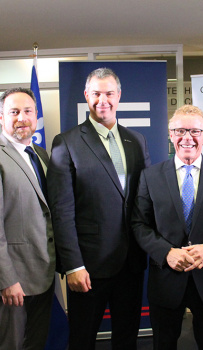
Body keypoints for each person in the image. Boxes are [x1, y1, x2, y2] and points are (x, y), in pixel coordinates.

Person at [47, 67, 150, 350]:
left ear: (119, 96)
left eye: (109, 93)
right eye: (96, 93)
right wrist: (73, 266)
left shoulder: (136, 141)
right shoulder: (66, 142)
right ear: (86, 96)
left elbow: (144, 200)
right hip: (88, 267)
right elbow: (62, 210)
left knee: (127, 338)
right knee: (82, 339)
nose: (102, 100)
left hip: (130, 263)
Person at [132, 105, 203, 350]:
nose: (188, 138)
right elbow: (139, 224)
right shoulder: (150, 176)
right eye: (180, 130)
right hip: (166, 278)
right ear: (170, 135)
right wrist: (166, 252)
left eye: (195, 131)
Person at [0, 87, 56, 350]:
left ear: (36, 115)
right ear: (0, 117)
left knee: (36, 343)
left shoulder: (40, 155)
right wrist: (6, 280)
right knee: (12, 346)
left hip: (43, 273)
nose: (22, 118)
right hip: (13, 278)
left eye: (28, 111)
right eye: (14, 112)